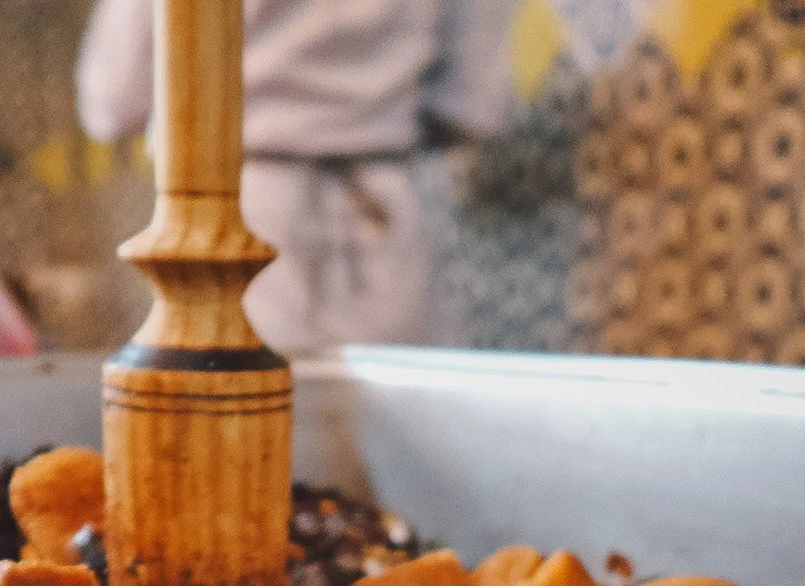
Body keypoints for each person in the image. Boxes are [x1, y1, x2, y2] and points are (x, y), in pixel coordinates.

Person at [76, 0, 516, 351]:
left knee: (242, 436)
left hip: (236, 205)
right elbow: (473, 106)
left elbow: (110, 101)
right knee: (400, 444)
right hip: (384, 207)